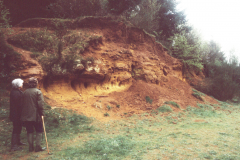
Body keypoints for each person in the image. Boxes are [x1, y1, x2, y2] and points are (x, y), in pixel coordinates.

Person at [21, 77, 46, 152]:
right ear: (36, 84)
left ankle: (30, 147)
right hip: (36, 116)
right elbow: (40, 104)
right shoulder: (38, 92)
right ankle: (38, 147)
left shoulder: (24, 92)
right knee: (39, 130)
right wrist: (42, 113)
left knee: (29, 131)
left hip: (26, 116)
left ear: (29, 84)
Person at [10, 78, 26, 151]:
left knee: (18, 127)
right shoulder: (16, 93)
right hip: (16, 114)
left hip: (17, 113)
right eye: (21, 84)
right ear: (18, 85)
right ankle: (14, 145)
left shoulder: (16, 91)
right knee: (16, 128)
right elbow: (18, 104)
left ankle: (18, 142)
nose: (22, 85)